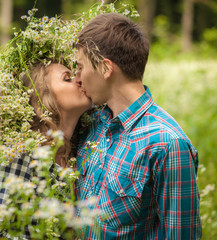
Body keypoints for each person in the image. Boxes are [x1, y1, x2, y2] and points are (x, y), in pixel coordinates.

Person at [74, 13, 202, 239]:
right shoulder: (93, 123)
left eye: (80, 67)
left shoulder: (168, 144)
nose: (77, 78)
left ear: (106, 68)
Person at [0, 62, 92, 240]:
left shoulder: (81, 150)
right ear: (42, 101)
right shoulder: (18, 159)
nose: (79, 80)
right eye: (67, 78)